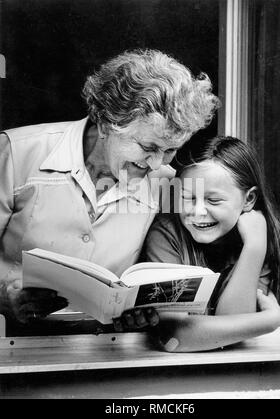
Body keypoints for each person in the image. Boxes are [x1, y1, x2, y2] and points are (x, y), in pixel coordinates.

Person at [0, 49, 219, 325]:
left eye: (170, 150)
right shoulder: (16, 153)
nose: (156, 164)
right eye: (148, 147)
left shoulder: (168, 183)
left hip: (104, 350)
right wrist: (3, 299)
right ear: (105, 124)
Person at [115, 136, 280, 352]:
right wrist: (267, 321)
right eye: (188, 198)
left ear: (249, 199)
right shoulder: (166, 234)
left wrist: (254, 249)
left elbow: (233, 332)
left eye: (213, 200)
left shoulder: (258, 236)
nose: (198, 212)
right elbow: (176, 337)